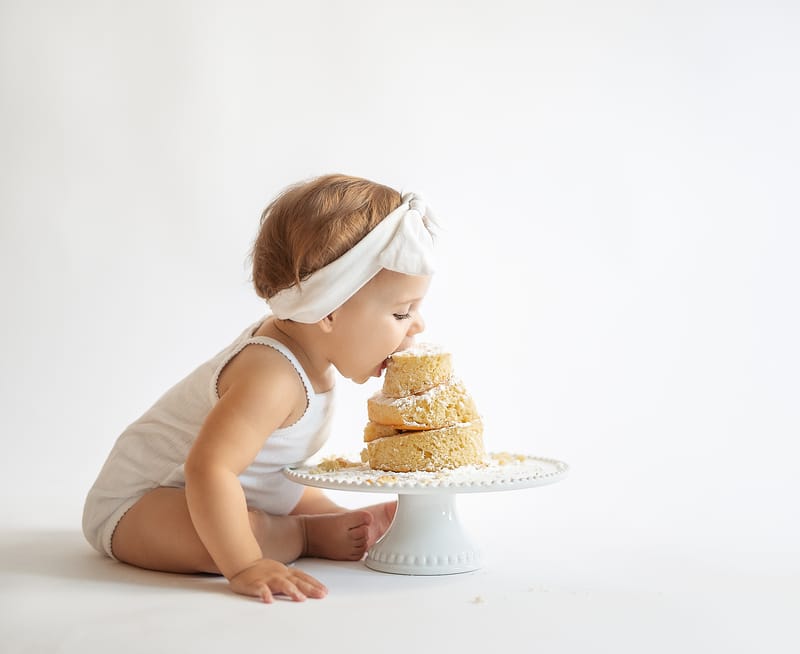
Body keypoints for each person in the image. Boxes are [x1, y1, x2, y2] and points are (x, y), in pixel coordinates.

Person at [82, 173, 439, 603]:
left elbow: (265, 469)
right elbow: (208, 470)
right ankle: (301, 536)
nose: (418, 325)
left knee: (290, 485)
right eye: (402, 313)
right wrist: (246, 564)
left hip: (242, 487)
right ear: (329, 311)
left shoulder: (311, 351)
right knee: (236, 534)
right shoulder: (271, 376)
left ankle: (336, 521)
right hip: (139, 508)